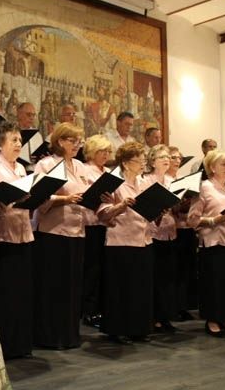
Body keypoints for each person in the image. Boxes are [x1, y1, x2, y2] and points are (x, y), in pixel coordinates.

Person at [32, 123, 88, 349]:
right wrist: (65, 199)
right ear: (60, 141)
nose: (77, 145)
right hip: (53, 232)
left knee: (72, 285)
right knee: (54, 285)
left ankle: (70, 334)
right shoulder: (46, 164)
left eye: (79, 141)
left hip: (77, 230)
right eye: (72, 140)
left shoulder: (79, 165)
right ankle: (51, 336)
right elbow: (38, 197)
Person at [0, 120, 35, 359]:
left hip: (22, 232)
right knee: (5, 292)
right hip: (2, 235)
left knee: (21, 291)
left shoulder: (21, 167)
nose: (18, 144)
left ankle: (20, 343)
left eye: (20, 140)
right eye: (13, 139)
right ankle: (4, 344)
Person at [98, 141, 153, 344]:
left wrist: (159, 209)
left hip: (143, 239)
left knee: (139, 287)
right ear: (126, 162)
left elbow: (149, 209)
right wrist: (121, 205)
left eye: (144, 159)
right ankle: (118, 329)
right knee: (121, 287)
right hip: (120, 239)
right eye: (139, 160)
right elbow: (103, 214)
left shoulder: (144, 182)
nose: (143, 163)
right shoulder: (113, 182)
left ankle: (138, 328)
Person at [187, 150, 225, 337]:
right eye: (223, 164)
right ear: (212, 167)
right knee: (214, 283)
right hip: (212, 241)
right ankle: (212, 320)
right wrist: (213, 220)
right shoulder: (204, 187)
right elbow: (192, 219)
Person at [145, 144, 178, 332]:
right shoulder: (146, 180)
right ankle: (154, 317)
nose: (167, 160)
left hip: (170, 232)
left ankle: (165, 316)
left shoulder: (172, 181)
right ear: (152, 161)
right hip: (153, 233)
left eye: (168, 157)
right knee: (155, 277)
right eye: (162, 157)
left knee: (168, 277)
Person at [80, 135, 113, 328]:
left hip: (105, 224)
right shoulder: (85, 169)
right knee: (91, 268)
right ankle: (89, 310)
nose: (105, 155)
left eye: (108, 151)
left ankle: (101, 308)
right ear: (92, 152)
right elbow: (84, 195)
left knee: (102, 267)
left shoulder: (108, 172)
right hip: (90, 222)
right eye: (102, 151)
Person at [168, 146, 198, 321]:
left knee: (187, 269)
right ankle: (174, 306)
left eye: (179, 158)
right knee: (175, 269)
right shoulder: (165, 180)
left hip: (187, 227)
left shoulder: (183, 179)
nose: (177, 161)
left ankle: (184, 305)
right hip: (174, 228)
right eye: (173, 157)